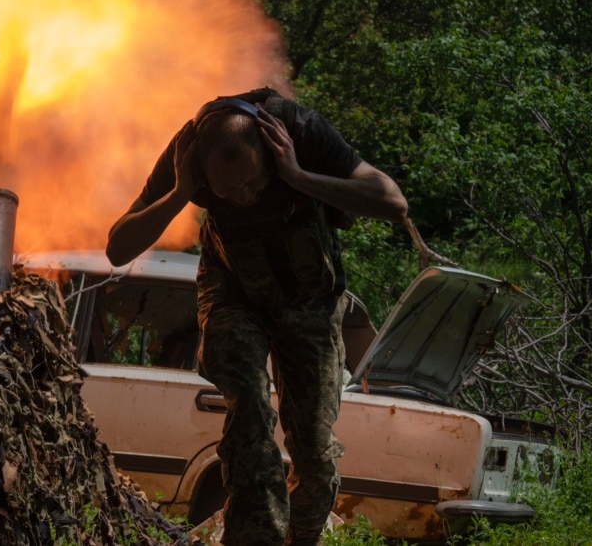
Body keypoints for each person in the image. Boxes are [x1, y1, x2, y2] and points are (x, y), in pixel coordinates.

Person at [105, 87, 407, 546]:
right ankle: (255, 538)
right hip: (235, 293)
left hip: (309, 301)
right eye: (228, 190)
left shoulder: (299, 131)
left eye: (253, 182)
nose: (243, 196)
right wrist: (181, 193)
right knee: (247, 410)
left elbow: (392, 201)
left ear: (268, 150)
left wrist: (298, 176)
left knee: (314, 452)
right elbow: (118, 247)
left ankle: (301, 537)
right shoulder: (186, 154)